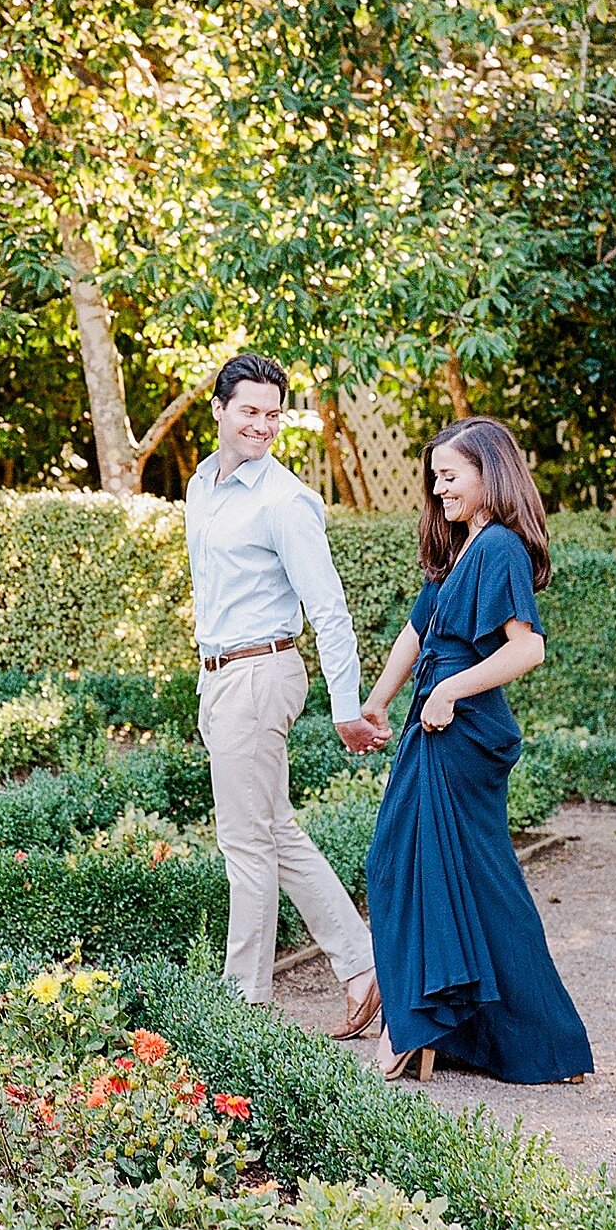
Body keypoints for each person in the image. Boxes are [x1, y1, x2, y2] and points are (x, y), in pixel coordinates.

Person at [362, 416, 594, 1085]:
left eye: (450, 476)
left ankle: (423, 1028)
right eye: (434, 478)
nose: (438, 490)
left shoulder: (500, 549)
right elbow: (417, 631)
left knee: (446, 874)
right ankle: (447, 1026)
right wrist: (376, 702)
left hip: (462, 733)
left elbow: (528, 646)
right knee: (421, 870)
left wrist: (454, 690)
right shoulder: (462, 548)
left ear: (489, 473)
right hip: (432, 728)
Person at [185, 352, 388, 1027]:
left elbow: (328, 609)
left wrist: (344, 705)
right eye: (250, 410)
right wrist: (206, 677)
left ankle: (242, 1004)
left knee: (246, 845)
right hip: (221, 677)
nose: (263, 425)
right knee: (275, 832)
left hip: (262, 673)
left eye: (273, 414)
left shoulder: (286, 501)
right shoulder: (200, 488)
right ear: (218, 408)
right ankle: (362, 964)